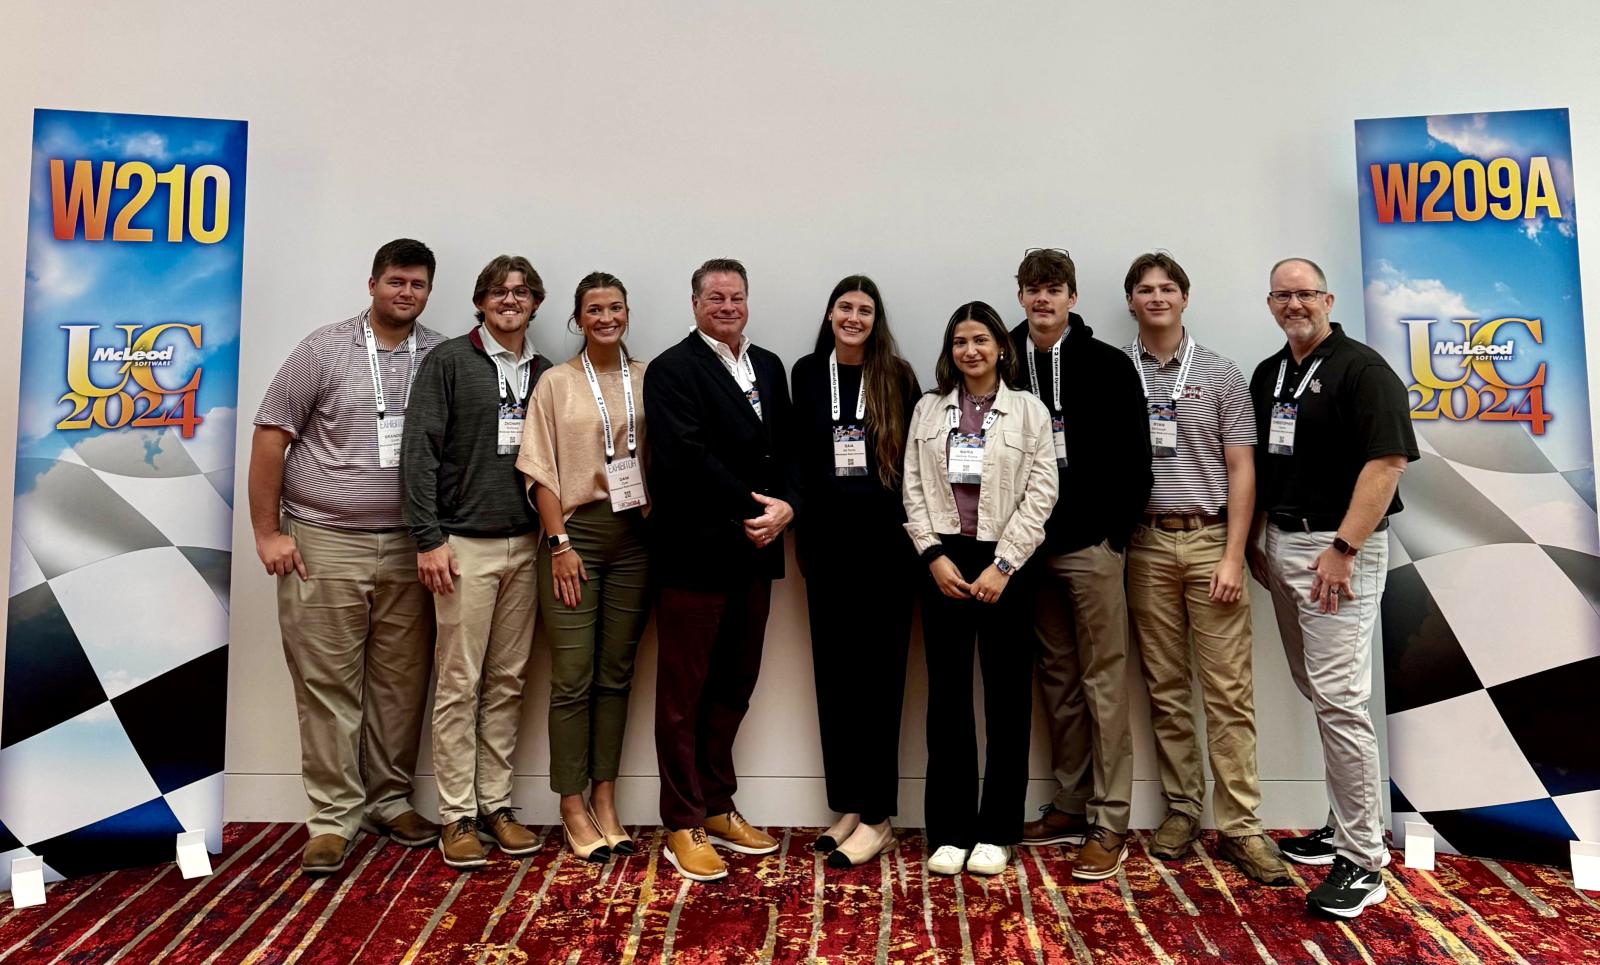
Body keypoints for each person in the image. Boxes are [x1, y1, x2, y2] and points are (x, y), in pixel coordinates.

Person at [250, 238, 444, 875]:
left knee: (399, 685)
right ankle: (334, 818)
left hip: (410, 548)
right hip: (323, 542)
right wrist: (268, 533)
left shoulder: (439, 354)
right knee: (329, 686)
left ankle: (390, 800)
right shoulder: (325, 347)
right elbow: (272, 436)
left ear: (427, 291)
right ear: (372, 284)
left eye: (416, 285)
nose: (405, 293)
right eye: (395, 282)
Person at [1245, 257, 1418, 918]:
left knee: (1341, 698)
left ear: (1328, 298)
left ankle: (1364, 860)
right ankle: (1342, 823)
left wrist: (1344, 547)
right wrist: (1261, 534)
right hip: (1285, 543)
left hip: (1337, 549)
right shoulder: (1272, 373)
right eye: (1283, 295)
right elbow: (1267, 460)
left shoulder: (1361, 369)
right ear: (1270, 303)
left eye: (1305, 293)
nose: (1295, 304)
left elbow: (1388, 461)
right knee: (1320, 690)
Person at [1119, 252, 1288, 885]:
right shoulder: (1118, 372)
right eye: (1144, 289)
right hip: (1145, 546)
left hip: (1211, 539)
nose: (1156, 297)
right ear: (1131, 301)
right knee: (1165, 688)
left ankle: (1242, 826)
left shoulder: (1221, 373)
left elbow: (1243, 467)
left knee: (1227, 692)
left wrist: (1234, 555)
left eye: (1167, 288)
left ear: (1185, 298)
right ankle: (1184, 810)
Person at [645, 258, 801, 882]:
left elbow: (787, 448)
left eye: (736, 296)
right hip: (695, 552)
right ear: (694, 304)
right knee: (682, 696)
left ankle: (716, 805)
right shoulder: (671, 369)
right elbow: (686, 456)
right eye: (715, 297)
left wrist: (789, 507)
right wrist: (753, 507)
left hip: (757, 552)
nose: (727, 306)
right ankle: (681, 820)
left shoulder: (767, 365)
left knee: (734, 684)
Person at [401, 254, 553, 870]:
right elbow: (419, 454)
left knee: (509, 681)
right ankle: (457, 815)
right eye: (498, 291)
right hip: (462, 545)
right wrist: (428, 538)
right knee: (460, 683)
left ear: (536, 302)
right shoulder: (450, 362)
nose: (509, 300)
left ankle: (497, 806)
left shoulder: (543, 372)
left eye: (520, 292)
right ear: (481, 301)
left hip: (526, 545)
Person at [1008, 248, 1150, 881]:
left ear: (1071, 296)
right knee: (1057, 682)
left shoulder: (1107, 364)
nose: (1043, 300)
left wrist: (1113, 537)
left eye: (1054, 289)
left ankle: (1110, 817)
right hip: (1026, 552)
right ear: (1021, 296)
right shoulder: (1002, 359)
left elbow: (1134, 459)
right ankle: (1068, 803)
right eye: (1033, 290)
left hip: (1091, 549)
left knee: (1104, 684)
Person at [903, 301, 1058, 878]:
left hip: (1005, 565)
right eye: (960, 342)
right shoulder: (928, 409)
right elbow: (913, 487)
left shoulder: (1028, 411)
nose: (970, 351)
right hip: (944, 562)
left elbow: (1042, 493)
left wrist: (1005, 564)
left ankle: (996, 830)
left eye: (980, 340)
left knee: (1008, 699)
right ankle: (948, 829)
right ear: (950, 352)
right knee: (946, 699)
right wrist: (933, 555)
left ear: (1000, 347)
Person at [518, 272, 651, 863]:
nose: (605, 317)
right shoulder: (555, 383)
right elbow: (539, 468)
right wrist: (559, 543)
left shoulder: (648, 379)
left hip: (637, 539)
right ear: (578, 319)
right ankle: (571, 805)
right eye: (594, 309)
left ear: (627, 314)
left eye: (615, 307)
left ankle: (606, 800)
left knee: (615, 675)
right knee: (572, 676)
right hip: (577, 537)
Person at [789, 275, 921, 869]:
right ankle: (847, 802)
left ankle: (878, 816)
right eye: (845, 306)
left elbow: (915, 468)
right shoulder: (807, 373)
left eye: (865, 309)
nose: (854, 317)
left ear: (877, 319)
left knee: (879, 683)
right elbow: (798, 459)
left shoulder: (897, 376)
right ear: (829, 312)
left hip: (887, 555)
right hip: (825, 551)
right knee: (835, 680)